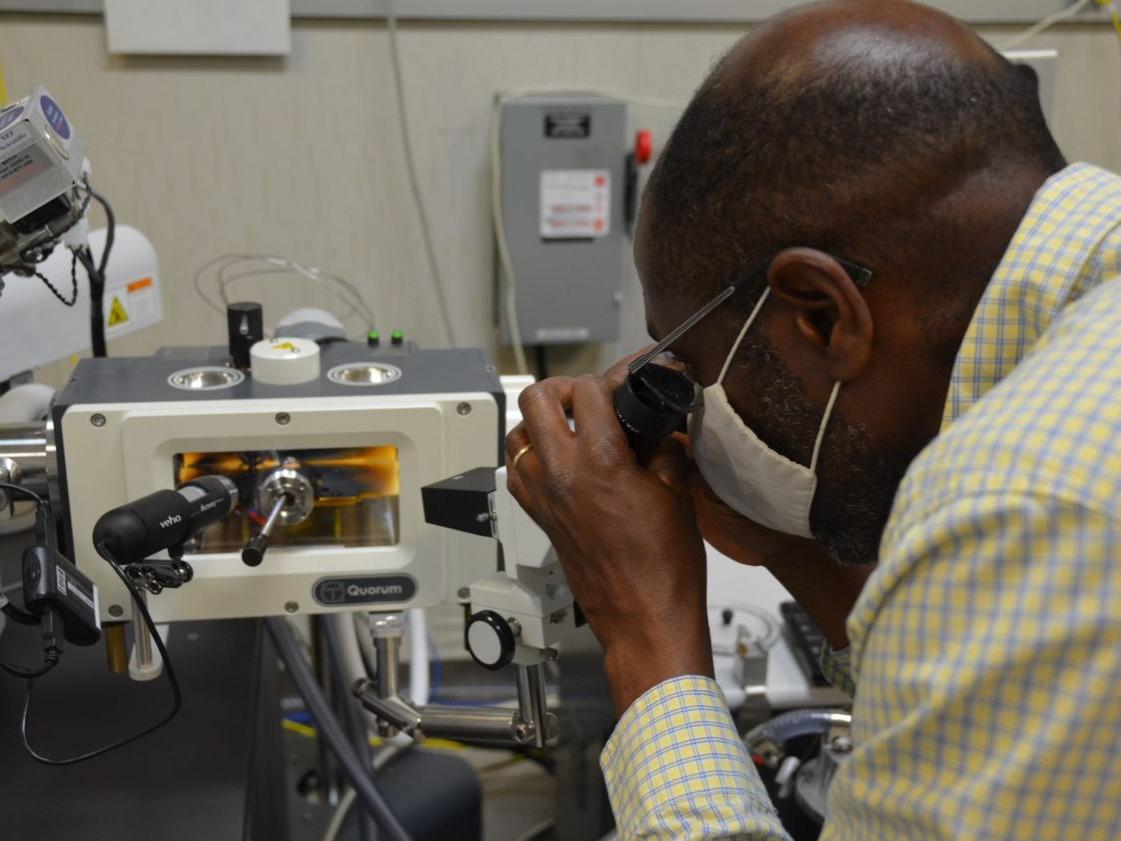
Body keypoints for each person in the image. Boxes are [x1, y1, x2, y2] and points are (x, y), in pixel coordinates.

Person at [504, 0, 1121, 838]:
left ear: (822, 316)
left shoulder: (1017, 500)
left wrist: (643, 632)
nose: (691, 394)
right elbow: (972, 726)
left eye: (693, 361)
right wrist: (787, 544)